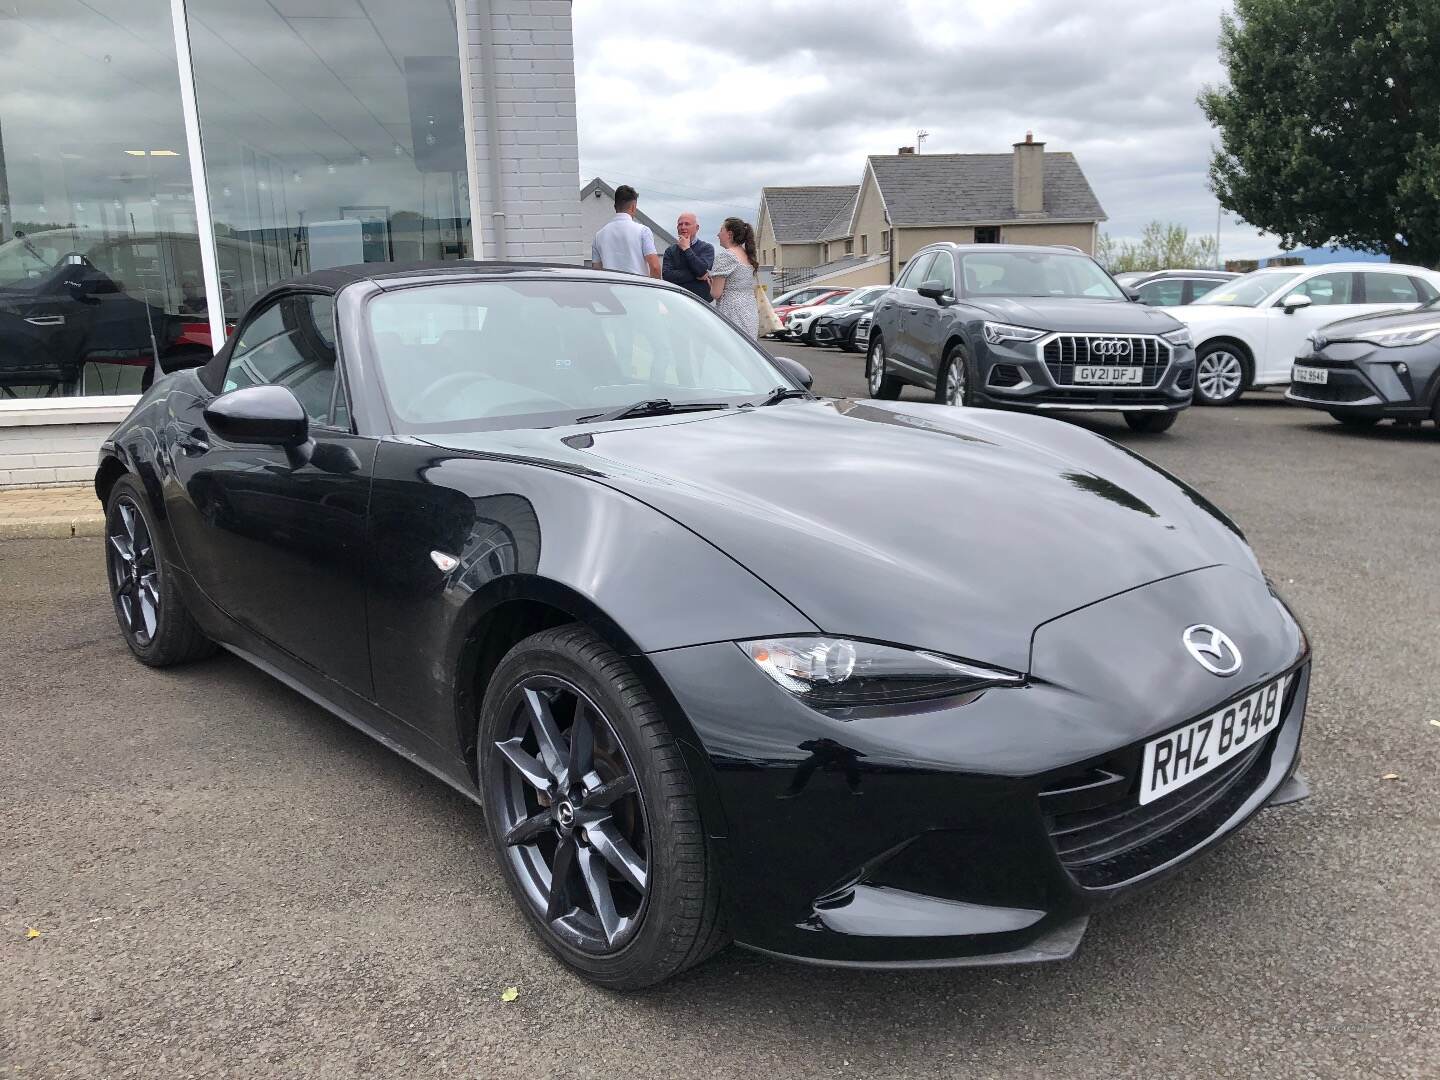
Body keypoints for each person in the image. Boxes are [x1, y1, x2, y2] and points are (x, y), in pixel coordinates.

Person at [591, 184, 661, 278]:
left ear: (615, 207)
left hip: (611, 290)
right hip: (638, 290)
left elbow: (596, 272)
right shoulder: (643, 231)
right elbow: (655, 267)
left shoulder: (598, 236)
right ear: (633, 207)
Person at [707, 217, 760, 339]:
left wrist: (711, 283)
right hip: (750, 311)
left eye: (721, 230)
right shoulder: (747, 255)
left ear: (729, 234)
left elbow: (716, 293)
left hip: (732, 312)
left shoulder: (727, 256)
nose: (718, 234)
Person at [661, 212, 714, 301]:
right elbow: (667, 276)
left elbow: (701, 269)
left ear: (697, 228)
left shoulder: (706, 248)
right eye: (680, 224)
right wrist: (697, 275)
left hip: (700, 302)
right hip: (676, 300)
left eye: (687, 224)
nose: (683, 227)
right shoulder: (670, 251)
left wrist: (686, 249)